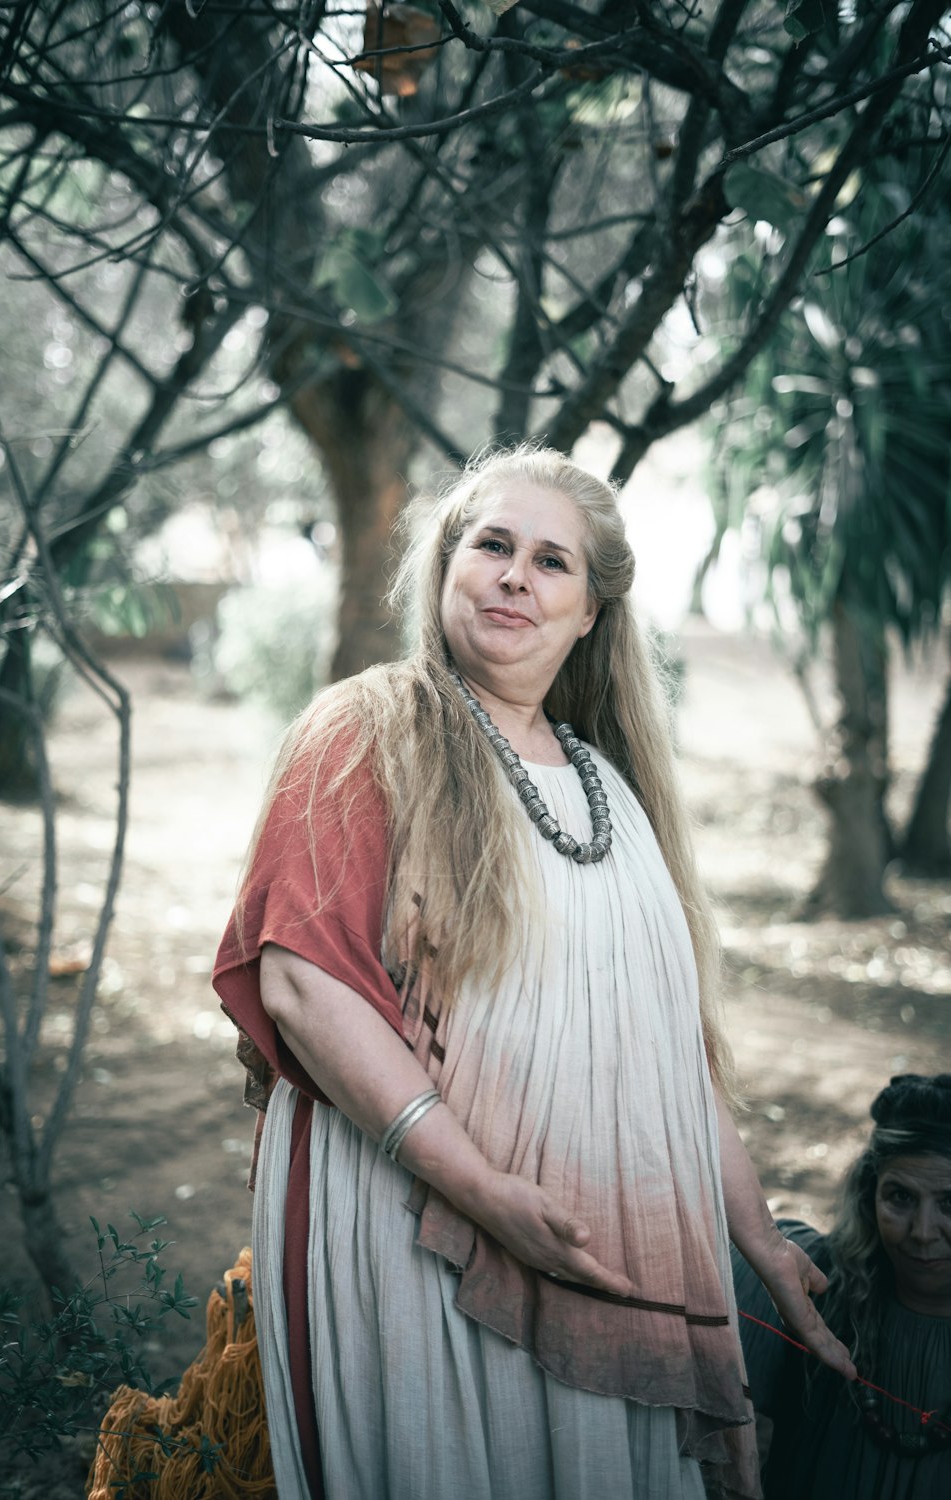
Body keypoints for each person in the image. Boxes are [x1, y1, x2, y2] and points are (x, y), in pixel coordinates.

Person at [213, 446, 852, 1500]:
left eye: (551, 562)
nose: (515, 575)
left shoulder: (613, 787)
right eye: (492, 545)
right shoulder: (369, 730)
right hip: (411, 1228)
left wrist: (756, 1241)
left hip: (600, 1249)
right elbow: (300, 986)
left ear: (592, 610)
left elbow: (666, 1048)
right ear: (447, 566)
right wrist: (486, 1195)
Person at [733, 1072, 951, 1500]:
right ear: (870, 1196)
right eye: (901, 1198)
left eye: (950, 1203)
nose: (923, 1232)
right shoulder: (816, 1289)